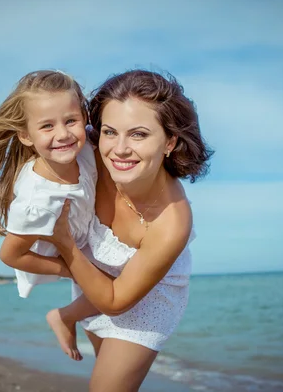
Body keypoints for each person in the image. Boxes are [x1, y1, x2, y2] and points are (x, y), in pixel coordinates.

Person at [44, 69, 213, 391]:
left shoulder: (172, 221)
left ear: (170, 141)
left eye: (138, 135)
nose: (119, 150)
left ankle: (66, 315)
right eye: (110, 132)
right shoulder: (91, 149)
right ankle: (66, 314)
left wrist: (65, 243)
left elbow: (116, 301)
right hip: (93, 275)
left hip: (146, 300)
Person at [0, 70, 103, 361]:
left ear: (84, 117)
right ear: (26, 136)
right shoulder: (38, 198)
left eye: (71, 120)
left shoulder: (87, 148)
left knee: (106, 319)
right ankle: (62, 317)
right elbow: (10, 255)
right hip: (62, 254)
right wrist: (67, 268)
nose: (63, 134)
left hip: (89, 239)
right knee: (112, 290)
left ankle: (77, 326)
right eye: (47, 126)